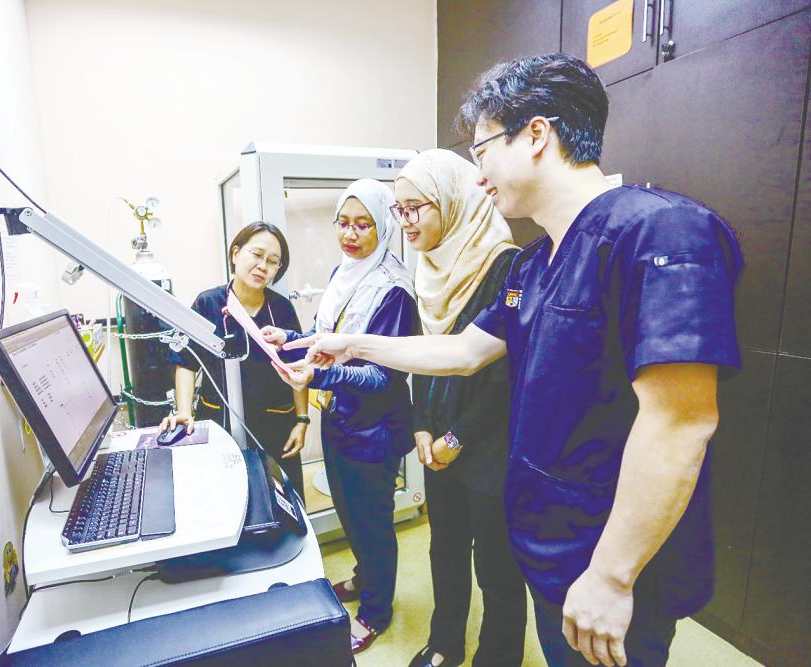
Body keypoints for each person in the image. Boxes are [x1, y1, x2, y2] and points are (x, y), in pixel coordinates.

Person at [285, 53, 743, 667]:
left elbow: (681, 422)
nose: (477, 178)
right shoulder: (533, 263)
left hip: (612, 557)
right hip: (551, 545)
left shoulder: (659, 233)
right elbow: (464, 351)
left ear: (536, 135)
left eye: (480, 153)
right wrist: (353, 343)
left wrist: (611, 576)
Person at [265, 178, 417, 654]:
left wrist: (317, 378)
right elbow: (326, 334)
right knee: (351, 516)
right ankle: (362, 577)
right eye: (344, 223)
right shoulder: (344, 271)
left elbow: (381, 378)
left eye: (364, 225)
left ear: (383, 227)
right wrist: (289, 338)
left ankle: (376, 610)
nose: (351, 234)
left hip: (374, 430)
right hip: (339, 421)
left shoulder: (394, 291)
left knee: (372, 522)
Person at [394, 149, 527, 667]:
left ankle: (498, 656)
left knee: (497, 566)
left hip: (488, 445)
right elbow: (418, 357)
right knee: (444, 550)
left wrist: (457, 439)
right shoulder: (428, 268)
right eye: (398, 211)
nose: (405, 222)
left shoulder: (504, 265)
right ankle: (445, 644)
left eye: (414, 208)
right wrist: (423, 428)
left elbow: (504, 377)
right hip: (437, 443)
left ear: (450, 201)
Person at [161, 221, 308, 501]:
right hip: (221, 421)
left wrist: (302, 420)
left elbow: (297, 366)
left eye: (273, 261)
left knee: (284, 501)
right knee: (228, 498)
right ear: (235, 254)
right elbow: (185, 361)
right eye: (256, 254)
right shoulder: (208, 303)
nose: (263, 265)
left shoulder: (281, 308)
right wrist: (184, 411)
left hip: (277, 426)